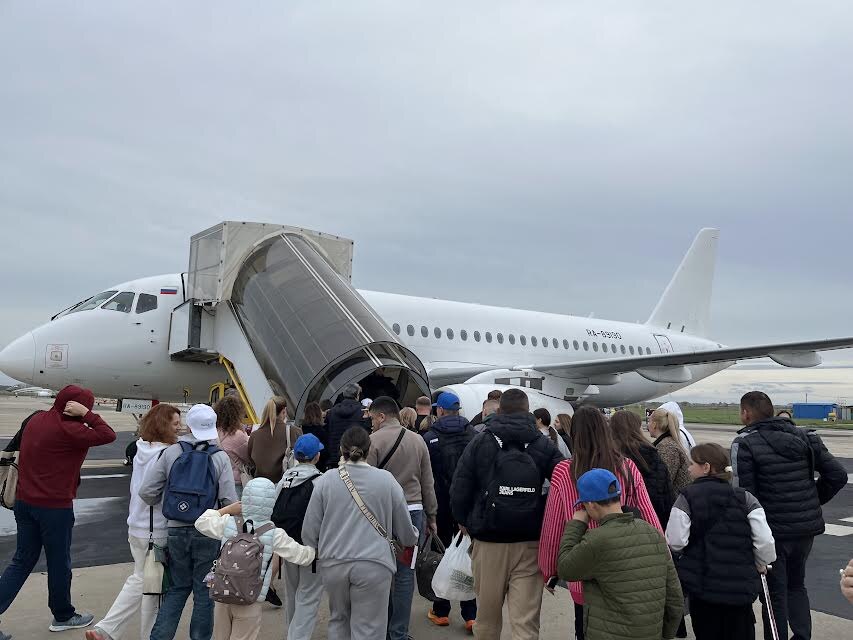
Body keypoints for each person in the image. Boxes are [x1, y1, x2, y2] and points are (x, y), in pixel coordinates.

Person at [0, 385, 115, 637]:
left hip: (24, 502)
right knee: (58, 562)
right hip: (54, 508)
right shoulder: (72, 430)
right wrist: (88, 415)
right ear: (78, 407)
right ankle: (63, 615)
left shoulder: (35, 419)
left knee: (21, 561)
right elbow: (108, 434)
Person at [731, 391, 846, 640]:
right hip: (804, 530)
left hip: (772, 531)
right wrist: (811, 501)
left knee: (774, 595)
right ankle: (802, 635)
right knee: (796, 585)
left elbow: (744, 497)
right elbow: (838, 476)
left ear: (746, 413)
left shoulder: (745, 443)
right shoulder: (807, 437)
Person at [539, 406, 662, 640]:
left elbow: (553, 526)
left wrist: (550, 570)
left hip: (584, 571)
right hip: (625, 567)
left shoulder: (564, 471)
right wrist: (661, 557)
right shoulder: (627, 467)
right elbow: (648, 516)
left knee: (584, 628)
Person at [451, 389, 564, 640]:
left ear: (500, 410)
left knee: (487, 621)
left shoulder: (481, 441)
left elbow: (460, 486)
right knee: (525, 623)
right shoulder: (542, 443)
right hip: (530, 542)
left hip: (489, 541)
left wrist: (464, 521)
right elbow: (563, 481)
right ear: (528, 412)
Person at [302, 426, 418, 640]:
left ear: (341, 449)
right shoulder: (387, 480)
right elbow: (406, 533)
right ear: (369, 449)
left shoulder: (325, 481)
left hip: (334, 563)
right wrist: (414, 535)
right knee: (370, 628)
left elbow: (309, 531)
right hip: (374, 564)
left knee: (338, 620)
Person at [139, 403, 238, 640]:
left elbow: (147, 492)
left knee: (177, 589)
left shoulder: (171, 452)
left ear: (188, 425)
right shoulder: (220, 457)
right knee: (204, 593)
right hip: (207, 533)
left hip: (175, 531)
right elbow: (229, 500)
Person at [86, 404, 182, 640]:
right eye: (175, 424)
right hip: (155, 530)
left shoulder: (142, 448)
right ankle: (110, 629)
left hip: (136, 527)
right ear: (163, 425)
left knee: (147, 582)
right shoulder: (168, 454)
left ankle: (118, 631)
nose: (180, 429)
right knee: (149, 585)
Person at [666, 443, 776, 640]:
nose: (689, 468)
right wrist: (761, 563)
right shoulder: (746, 498)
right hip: (739, 587)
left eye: (692, 464)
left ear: (706, 467)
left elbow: (676, 541)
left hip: (703, 586)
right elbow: (764, 541)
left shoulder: (686, 497)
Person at [558, 469, 683, 640]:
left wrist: (577, 525)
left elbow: (565, 569)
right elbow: (674, 597)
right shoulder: (651, 532)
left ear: (591, 505)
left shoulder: (597, 540)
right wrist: (666, 634)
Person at [194, 478, 315, 640]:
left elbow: (201, 522)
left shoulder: (228, 523)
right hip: (250, 598)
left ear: (245, 500)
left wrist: (227, 509)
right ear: (271, 503)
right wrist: (316, 552)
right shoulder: (274, 533)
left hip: (223, 595)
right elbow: (301, 556)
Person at [365, 396, 438, 640]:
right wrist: (432, 514)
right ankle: (399, 632)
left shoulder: (372, 441)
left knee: (381, 571)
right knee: (406, 572)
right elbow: (428, 481)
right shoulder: (418, 440)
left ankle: (383, 627)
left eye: (372, 418)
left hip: (381, 514)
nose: (371, 423)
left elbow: (365, 483)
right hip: (413, 512)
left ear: (382, 416)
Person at [421, 391, 478, 633]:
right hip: (469, 509)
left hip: (441, 507)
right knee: (468, 558)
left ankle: (441, 610)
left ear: (440, 411)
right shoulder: (475, 436)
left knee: (441, 556)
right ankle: (471, 614)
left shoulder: (429, 438)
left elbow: (426, 478)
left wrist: (429, 512)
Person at [272, 434, 325, 640]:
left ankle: (292, 633)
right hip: (311, 548)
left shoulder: (285, 479)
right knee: (309, 596)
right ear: (316, 456)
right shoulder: (320, 481)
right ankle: (297, 636)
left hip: (287, 545)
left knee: (292, 593)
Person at [609, 410, 674, 527]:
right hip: (652, 521)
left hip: (621, 523)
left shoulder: (612, 457)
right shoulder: (651, 453)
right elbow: (664, 495)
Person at [247, 397, 302, 484]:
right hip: (284, 486)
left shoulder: (254, 435)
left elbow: (250, 461)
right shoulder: (294, 431)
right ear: (284, 411)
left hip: (259, 487)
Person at [325, 383, 368, 471]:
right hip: (355, 457)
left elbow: (327, 432)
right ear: (357, 395)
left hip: (334, 457)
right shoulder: (363, 412)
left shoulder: (332, 412)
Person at [215, 395, 251, 498]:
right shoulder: (237, 435)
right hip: (235, 482)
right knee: (236, 512)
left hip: (218, 480)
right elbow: (249, 457)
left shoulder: (215, 432)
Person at [649, 408, 691, 495]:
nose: (647, 425)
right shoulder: (666, 443)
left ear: (654, 425)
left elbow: (664, 481)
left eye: (649, 422)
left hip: (676, 502)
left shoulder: (667, 447)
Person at [299, 401, 329, 471]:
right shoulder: (323, 431)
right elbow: (326, 453)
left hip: (303, 465)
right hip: (319, 467)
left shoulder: (301, 429)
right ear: (319, 414)